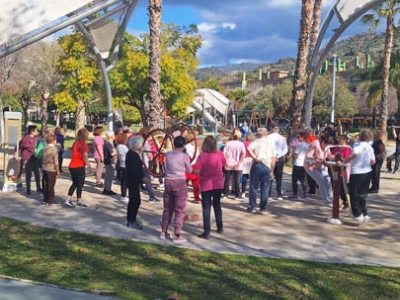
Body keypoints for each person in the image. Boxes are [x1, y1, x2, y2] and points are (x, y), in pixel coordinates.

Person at [160, 136, 192, 243]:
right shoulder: (184, 156)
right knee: (179, 209)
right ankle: (177, 234)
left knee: (167, 208)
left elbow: (165, 166)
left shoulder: (168, 154)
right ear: (183, 145)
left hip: (168, 181)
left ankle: (163, 231)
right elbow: (189, 170)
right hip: (180, 182)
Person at [193, 136, 226, 239]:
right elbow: (224, 164)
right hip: (218, 183)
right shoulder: (219, 154)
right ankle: (220, 227)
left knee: (206, 208)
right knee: (217, 205)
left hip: (206, 184)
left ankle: (207, 232)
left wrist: (191, 171)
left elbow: (197, 171)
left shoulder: (202, 156)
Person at [342, 129, 375, 222]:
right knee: (362, 194)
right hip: (367, 171)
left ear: (360, 136)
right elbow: (373, 161)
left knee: (354, 193)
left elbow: (354, 154)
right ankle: (364, 213)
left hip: (357, 172)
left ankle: (357, 213)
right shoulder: (369, 147)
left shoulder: (357, 144)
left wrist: (345, 160)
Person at [247, 127, 276, 215]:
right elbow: (273, 158)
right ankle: (263, 208)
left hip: (257, 164)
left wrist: (254, 157)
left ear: (260, 134)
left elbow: (248, 148)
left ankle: (253, 206)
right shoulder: (271, 143)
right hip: (267, 165)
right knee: (265, 188)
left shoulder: (256, 142)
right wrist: (272, 171)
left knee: (253, 187)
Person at [304, 128, 333, 206]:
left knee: (327, 178)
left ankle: (331, 196)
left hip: (320, 165)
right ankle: (326, 200)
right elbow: (308, 156)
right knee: (321, 181)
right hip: (310, 166)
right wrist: (315, 159)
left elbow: (329, 155)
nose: (325, 147)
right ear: (322, 142)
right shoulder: (314, 143)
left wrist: (336, 158)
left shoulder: (326, 147)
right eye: (325, 145)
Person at [65, 128, 92, 208]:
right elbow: (85, 156)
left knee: (75, 183)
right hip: (79, 166)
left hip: (72, 165)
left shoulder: (75, 143)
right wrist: (89, 166)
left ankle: (68, 199)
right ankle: (79, 201)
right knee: (80, 184)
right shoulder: (84, 145)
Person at [125, 136, 147, 229]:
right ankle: (131, 220)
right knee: (135, 201)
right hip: (132, 181)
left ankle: (130, 219)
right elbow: (135, 170)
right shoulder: (133, 156)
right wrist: (143, 178)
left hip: (131, 180)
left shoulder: (131, 154)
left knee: (133, 201)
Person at [326, 135, 351, 209]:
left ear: (344, 140)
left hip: (343, 171)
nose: (338, 140)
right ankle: (338, 201)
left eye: (340, 139)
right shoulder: (337, 148)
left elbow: (346, 158)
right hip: (335, 170)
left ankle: (345, 202)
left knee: (343, 187)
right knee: (336, 186)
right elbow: (330, 155)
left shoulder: (347, 149)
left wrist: (340, 159)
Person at [15, 125, 40, 195]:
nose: (37, 132)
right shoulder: (25, 139)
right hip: (27, 158)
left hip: (34, 157)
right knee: (28, 174)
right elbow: (18, 146)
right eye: (36, 130)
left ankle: (38, 188)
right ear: (32, 131)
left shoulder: (36, 138)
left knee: (37, 173)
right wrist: (16, 154)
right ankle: (28, 189)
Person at [222, 130, 246, 199]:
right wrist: (239, 162)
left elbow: (224, 152)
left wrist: (225, 161)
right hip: (237, 163)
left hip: (228, 162)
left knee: (227, 179)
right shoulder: (241, 144)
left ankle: (225, 193)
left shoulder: (228, 143)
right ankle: (237, 194)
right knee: (236, 180)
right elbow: (243, 153)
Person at [266, 125, 288, 200]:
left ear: (271, 129)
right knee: (279, 176)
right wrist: (278, 156)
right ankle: (279, 194)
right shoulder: (282, 138)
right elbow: (285, 150)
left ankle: (268, 194)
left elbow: (267, 148)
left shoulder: (268, 137)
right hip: (279, 158)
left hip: (270, 157)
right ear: (278, 130)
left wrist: (273, 156)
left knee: (270, 175)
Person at [139, 128, 159, 203]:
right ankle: (152, 197)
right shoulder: (146, 144)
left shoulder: (139, 141)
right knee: (148, 181)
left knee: (138, 180)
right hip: (145, 164)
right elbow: (150, 156)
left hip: (138, 163)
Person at [289, 131, 308, 200]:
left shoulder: (299, 145)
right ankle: (305, 192)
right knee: (303, 179)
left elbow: (296, 155)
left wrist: (292, 156)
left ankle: (295, 193)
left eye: (298, 137)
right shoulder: (307, 145)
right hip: (304, 163)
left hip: (297, 163)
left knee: (294, 180)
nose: (297, 138)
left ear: (302, 137)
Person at [42, 133, 59, 206]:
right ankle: (50, 200)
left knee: (45, 184)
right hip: (51, 168)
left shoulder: (45, 148)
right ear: (54, 141)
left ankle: (45, 199)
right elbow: (56, 161)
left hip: (44, 167)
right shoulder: (54, 149)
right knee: (51, 185)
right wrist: (57, 170)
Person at [185, 133, 201, 203]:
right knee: (196, 184)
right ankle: (196, 197)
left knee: (184, 184)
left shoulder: (183, 147)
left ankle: (184, 197)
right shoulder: (194, 148)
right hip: (193, 166)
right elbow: (198, 157)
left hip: (185, 167)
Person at [103, 131, 117, 196]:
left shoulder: (106, 143)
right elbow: (111, 153)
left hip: (107, 161)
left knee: (107, 175)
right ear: (111, 136)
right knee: (110, 176)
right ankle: (108, 189)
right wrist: (117, 152)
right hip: (110, 161)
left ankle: (106, 188)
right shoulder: (108, 144)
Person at [116, 133, 129, 202]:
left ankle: (123, 194)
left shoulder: (118, 146)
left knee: (123, 181)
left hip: (122, 164)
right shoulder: (123, 147)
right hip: (126, 165)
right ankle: (124, 195)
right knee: (125, 181)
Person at [241, 132, 255, 198]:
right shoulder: (253, 144)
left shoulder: (243, 143)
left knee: (244, 176)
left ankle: (243, 192)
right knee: (252, 176)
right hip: (251, 159)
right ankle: (251, 191)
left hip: (244, 159)